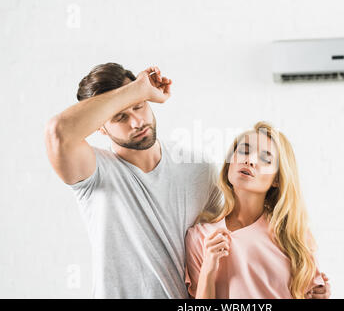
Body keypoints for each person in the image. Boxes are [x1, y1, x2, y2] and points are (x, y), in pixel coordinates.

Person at [44, 63, 222, 298]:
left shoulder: (199, 169)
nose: (137, 122)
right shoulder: (94, 173)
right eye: (120, 117)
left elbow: (230, 243)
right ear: (101, 128)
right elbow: (59, 132)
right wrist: (138, 89)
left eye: (139, 106)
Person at [185, 121, 330, 299]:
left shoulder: (291, 232)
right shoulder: (200, 237)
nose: (249, 160)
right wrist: (208, 267)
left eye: (265, 159)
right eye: (244, 151)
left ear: (277, 179)